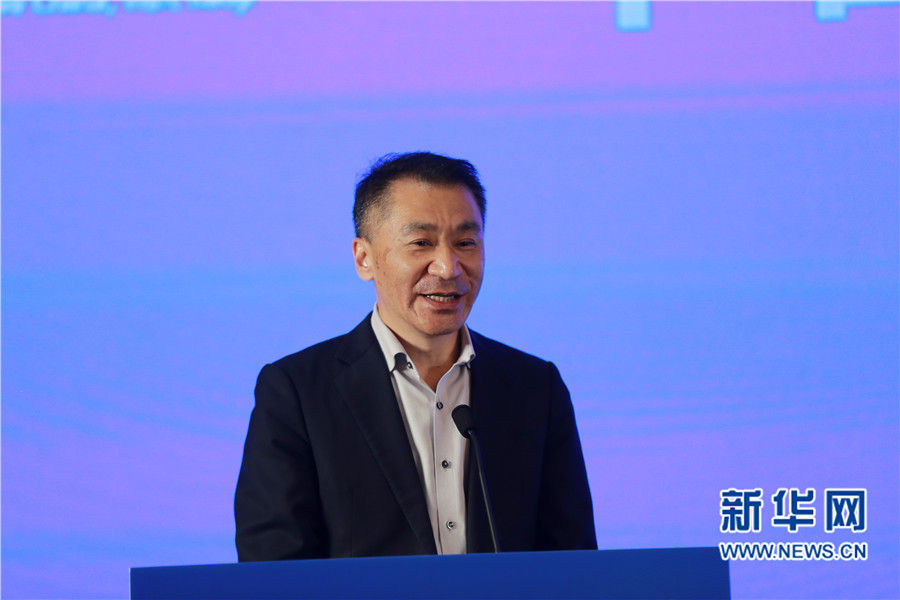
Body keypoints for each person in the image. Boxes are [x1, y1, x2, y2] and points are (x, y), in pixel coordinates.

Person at [234, 151, 596, 560]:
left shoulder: (535, 387)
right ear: (364, 258)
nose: (448, 267)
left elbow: (572, 561)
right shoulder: (298, 391)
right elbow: (273, 566)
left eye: (465, 243)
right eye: (421, 243)